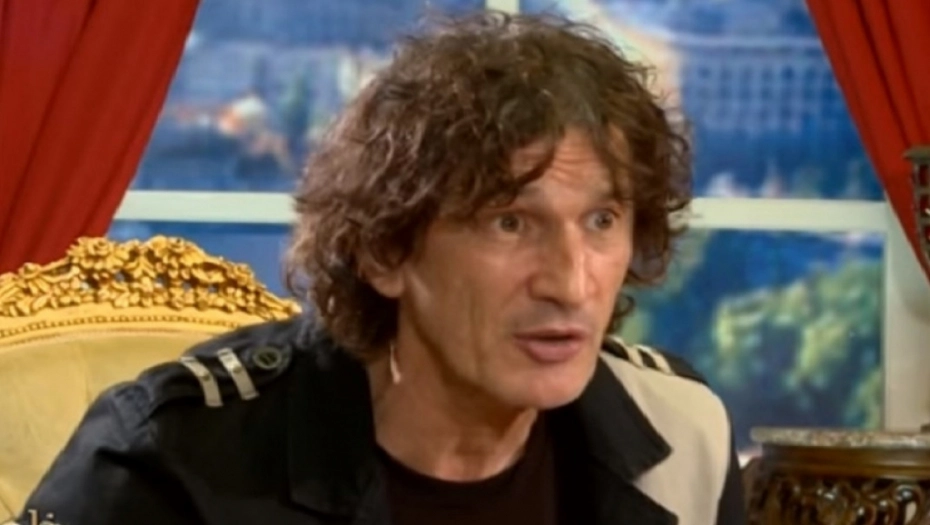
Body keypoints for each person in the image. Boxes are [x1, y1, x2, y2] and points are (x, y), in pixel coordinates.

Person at [13, 10, 746, 525]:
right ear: (386, 250)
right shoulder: (169, 461)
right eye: (509, 222)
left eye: (601, 221)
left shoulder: (683, 432)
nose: (571, 282)